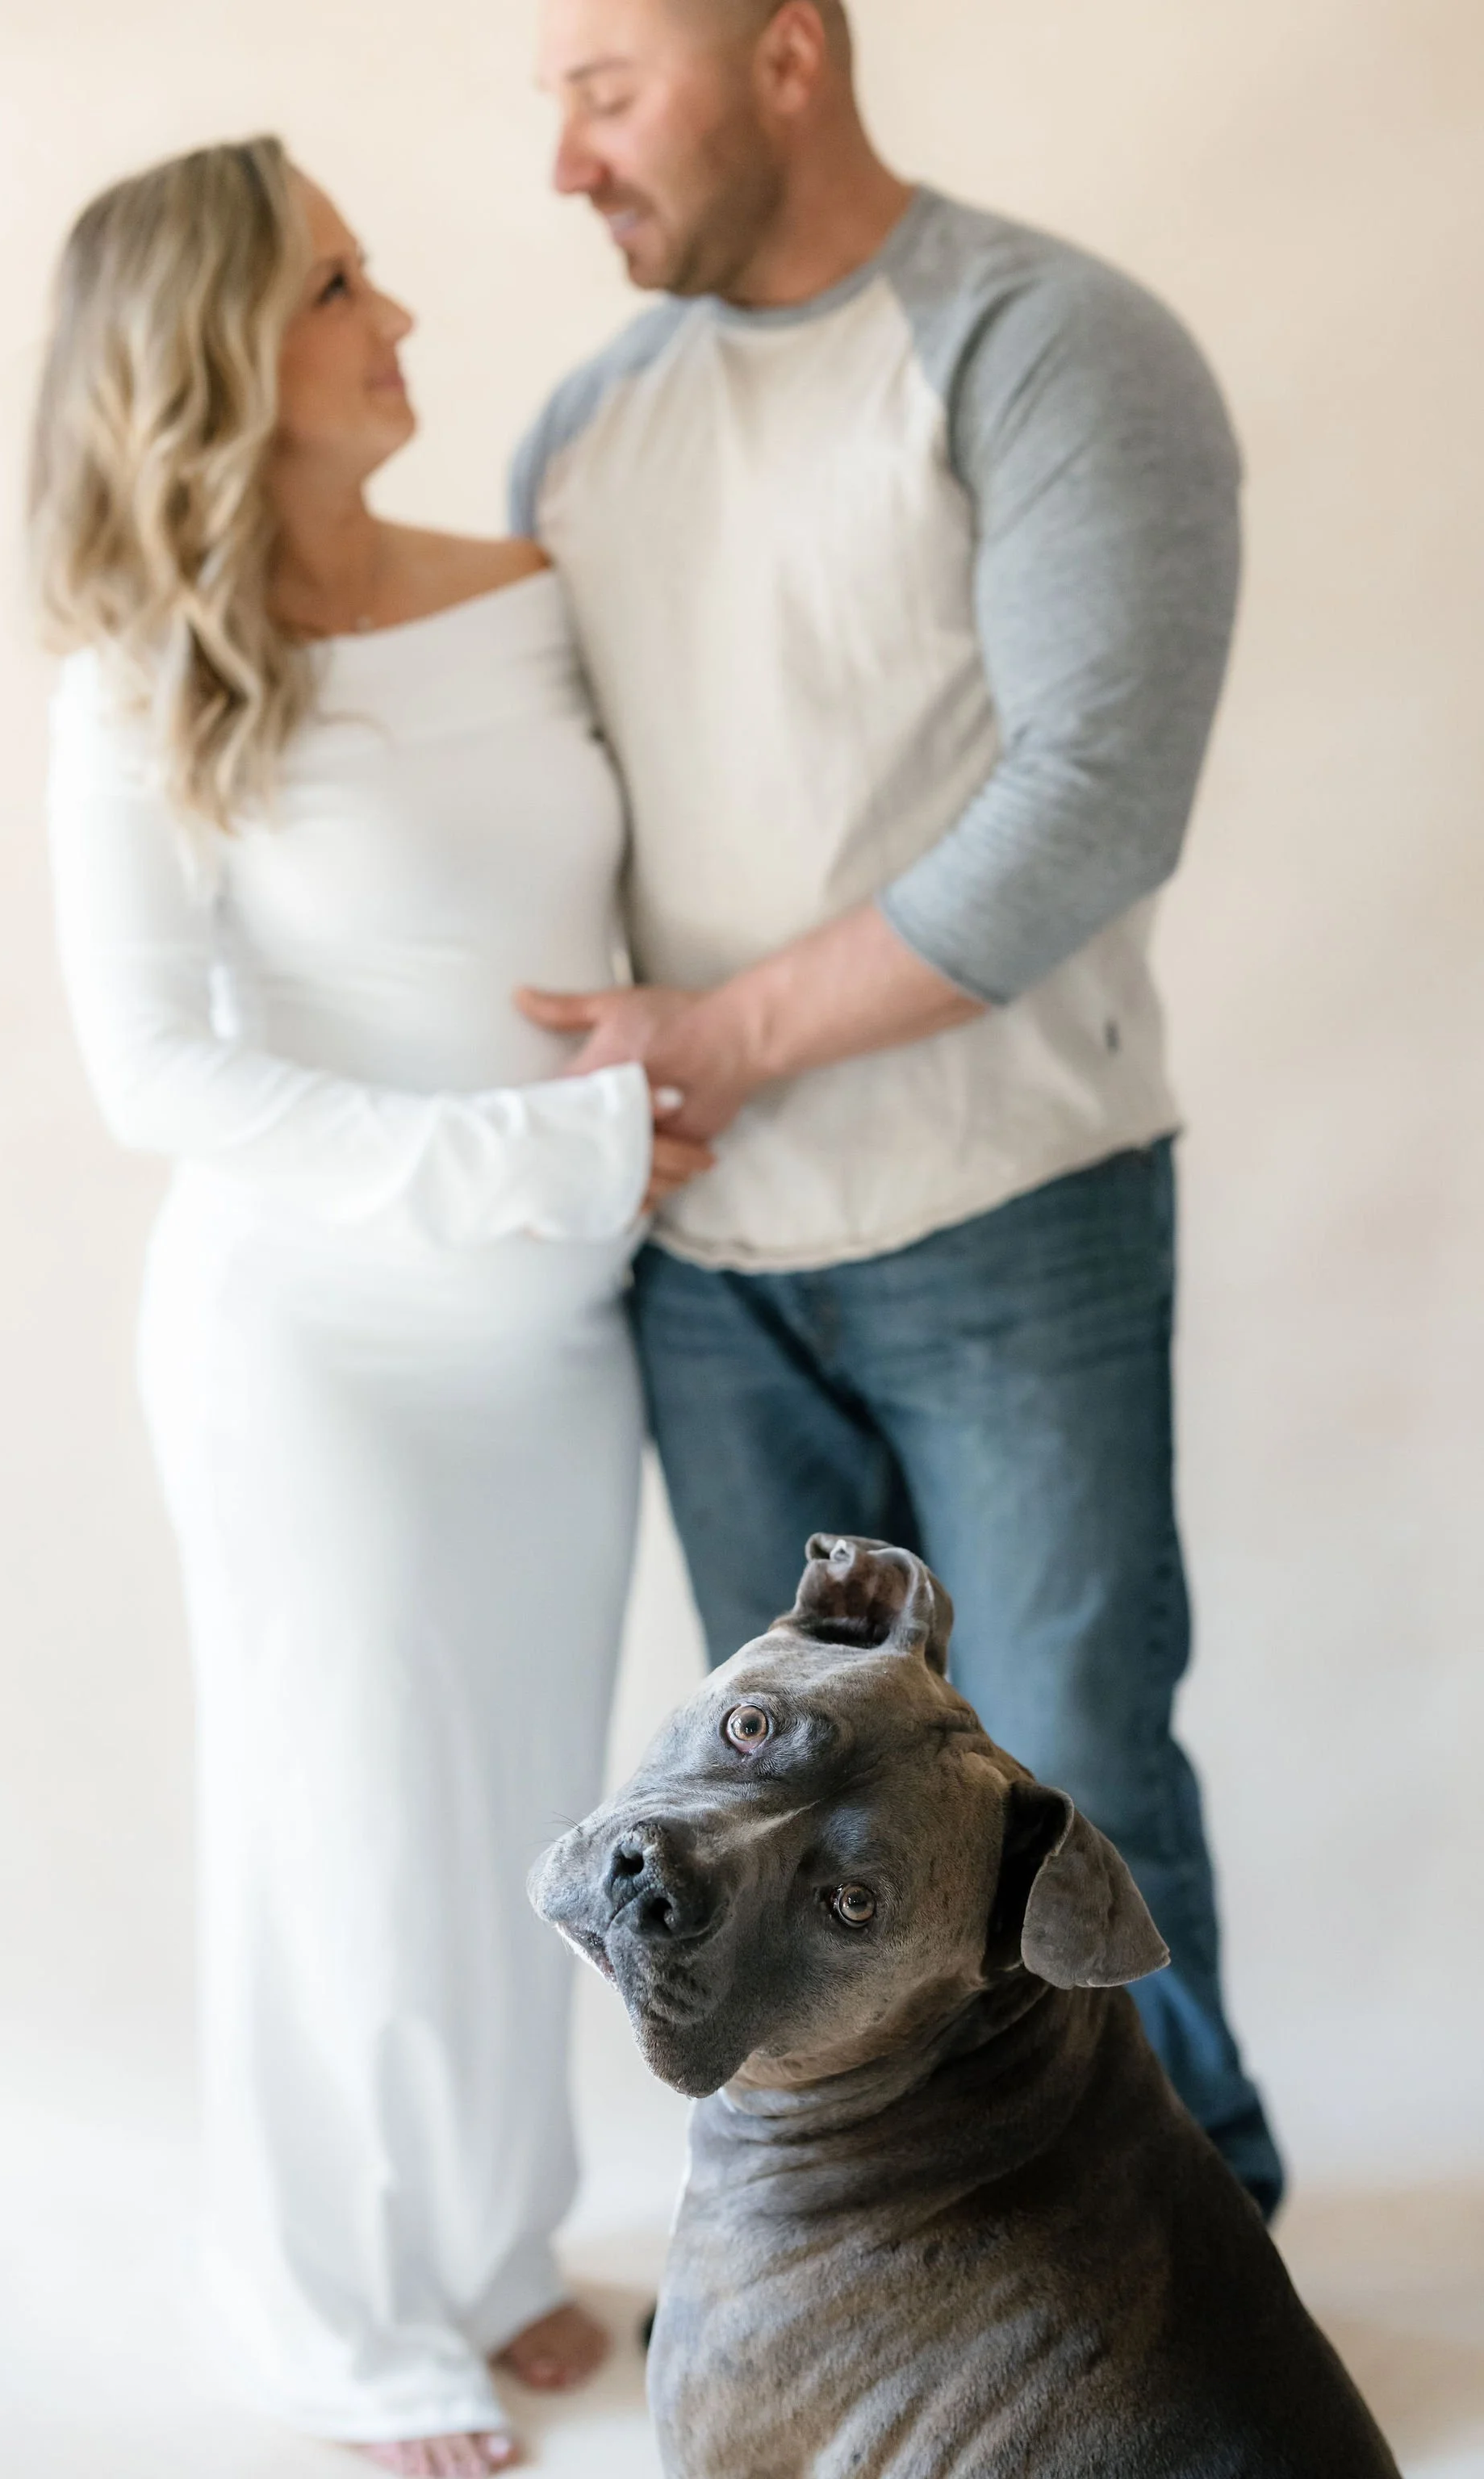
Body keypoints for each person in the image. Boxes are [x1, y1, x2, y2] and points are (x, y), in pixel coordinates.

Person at [513, 0, 1284, 2214]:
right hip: (704, 1273)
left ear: (789, 56)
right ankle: (852, 2275)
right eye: (545, 99)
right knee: (768, 1850)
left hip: (1013, 1223)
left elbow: (1092, 811)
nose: (564, 162)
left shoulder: (1045, 342)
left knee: (1073, 1784)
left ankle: (1180, 2259)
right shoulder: (584, 427)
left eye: (605, 88)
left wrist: (718, 1041)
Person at [32, 136, 710, 2477]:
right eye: (340, 282)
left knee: (529, 1804)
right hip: (317, 1351)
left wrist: (641, 1124)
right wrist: (546, 1150)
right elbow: (158, 1072)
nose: (402, 314)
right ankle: (336, 2319)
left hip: (556, 1338)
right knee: (342, 1829)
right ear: (223, 351)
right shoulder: (145, 678)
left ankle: (498, 2241)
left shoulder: (524, 587)